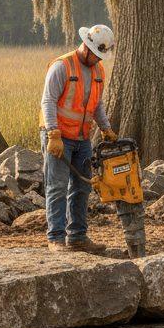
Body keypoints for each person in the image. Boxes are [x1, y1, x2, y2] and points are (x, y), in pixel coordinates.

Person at [40, 24, 118, 253]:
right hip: (58, 137)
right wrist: (53, 134)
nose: (99, 60)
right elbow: (48, 101)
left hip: (82, 138)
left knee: (82, 187)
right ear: (86, 46)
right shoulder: (61, 66)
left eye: (102, 56)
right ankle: (55, 238)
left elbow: (97, 104)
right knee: (57, 187)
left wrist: (105, 128)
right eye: (97, 55)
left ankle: (77, 237)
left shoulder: (98, 71)